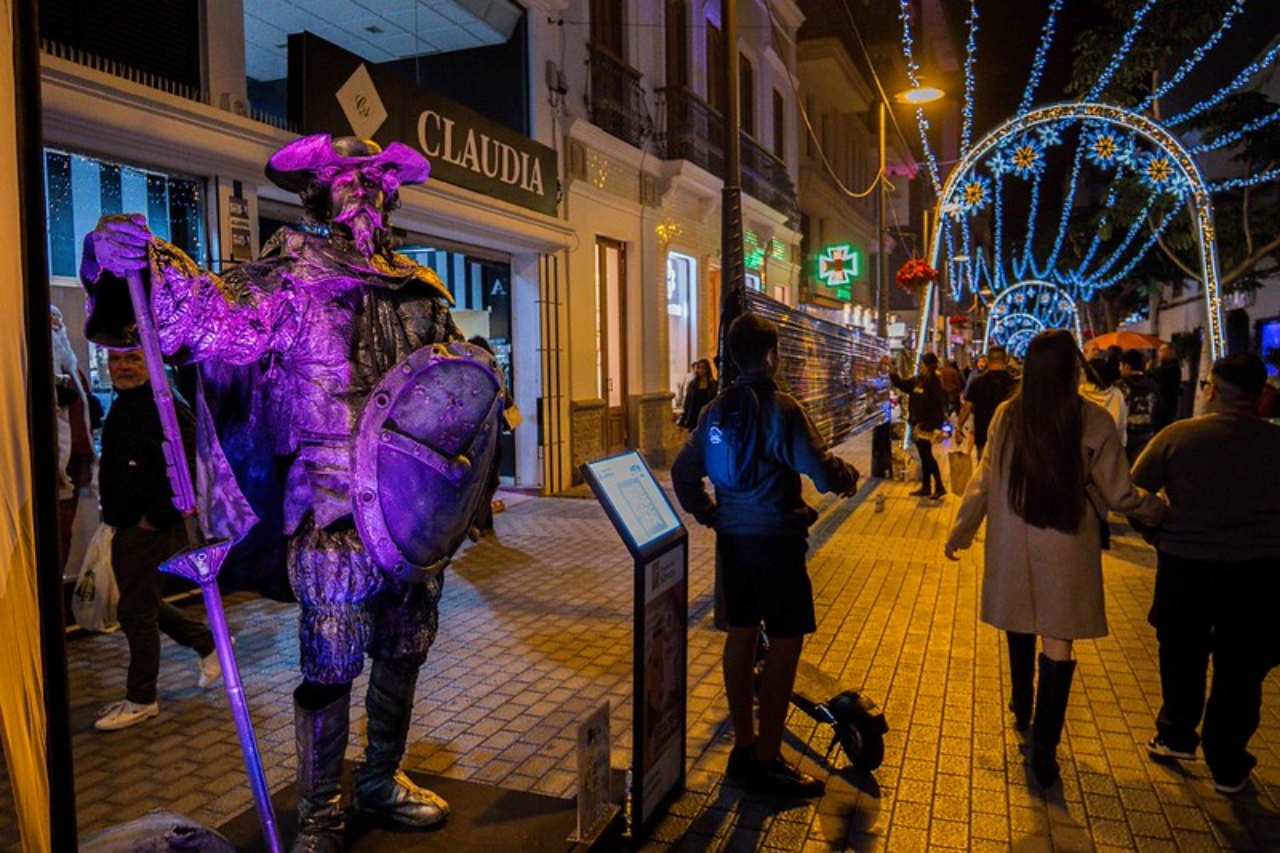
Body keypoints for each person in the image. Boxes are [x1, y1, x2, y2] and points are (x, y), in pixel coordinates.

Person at [81, 135, 500, 850]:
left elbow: (457, 390)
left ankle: (378, 779)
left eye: (375, 178)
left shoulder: (422, 292)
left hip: (410, 524)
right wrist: (134, 263)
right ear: (316, 193)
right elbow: (209, 315)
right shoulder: (288, 279)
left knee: (405, 647)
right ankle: (319, 814)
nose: (363, 190)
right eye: (345, 178)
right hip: (331, 514)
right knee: (329, 663)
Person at [944, 330, 1164, 788]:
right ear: (1072, 370)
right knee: (1057, 643)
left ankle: (1021, 703)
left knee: (1019, 618)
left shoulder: (1008, 416)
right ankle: (1045, 749)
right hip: (1068, 546)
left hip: (1013, 544)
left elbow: (983, 482)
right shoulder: (1094, 421)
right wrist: (1157, 507)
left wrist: (960, 532)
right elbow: (1121, 494)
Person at [671, 314, 859, 798]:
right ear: (772, 355)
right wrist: (844, 476)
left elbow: (683, 471)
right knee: (786, 640)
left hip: (734, 541)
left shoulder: (714, 411)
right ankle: (767, 756)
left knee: (739, 633)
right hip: (776, 540)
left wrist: (711, 515)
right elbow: (819, 470)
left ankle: (746, 742)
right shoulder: (784, 408)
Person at [1130, 353, 1280, 795]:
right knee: (1242, 667)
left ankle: (1177, 734)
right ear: (1258, 396)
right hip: (1261, 571)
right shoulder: (1274, 445)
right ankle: (1227, 760)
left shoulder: (1179, 437)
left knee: (1181, 651)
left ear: (1212, 389)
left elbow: (1135, 493)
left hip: (1186, 564)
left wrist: (1158, 533)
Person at [94, 346, 220, 732]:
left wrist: (156, 518)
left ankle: (142, 698)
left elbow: (188, 461)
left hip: (149, 528)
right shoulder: (129, 402)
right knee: (141, 602)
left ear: (150, 362)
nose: (122, 367)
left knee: (135, 611)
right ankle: (208, 645)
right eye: (115, 360)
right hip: (131, 524)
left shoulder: (162, 405)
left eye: (132, 358)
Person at [51, 305, 96, 570]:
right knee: (55, 532)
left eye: (58, 323)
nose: (56, 327)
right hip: (57, 464)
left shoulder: (72, 369)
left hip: (76, 460)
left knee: (66, 532)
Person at [886, 352, 948, 499]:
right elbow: (902, 384)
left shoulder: (934, 382)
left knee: (927, 456)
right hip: (917, 425)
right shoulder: (918, 380)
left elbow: (938, 405)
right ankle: (926, 487)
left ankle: (939, 486)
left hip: (927, 426)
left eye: (923, 364)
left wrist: (934, 426)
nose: (921, 366)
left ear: (929, 366)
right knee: (924, 455)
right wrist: (891, 369)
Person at [956, 345, 1017, 461]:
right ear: (1005, 360)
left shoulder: (978, 382)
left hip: (983, 434)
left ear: (988, 360)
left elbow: (967, 407)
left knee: (983, 469)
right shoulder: (1013, 383)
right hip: (1007, 435)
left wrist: (959, 428)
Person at [1118, 349, 1158, 463]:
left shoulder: (1121, 385)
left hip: (1125, 436)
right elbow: (1161, 408)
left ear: (1127, 365)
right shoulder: (1151, 384)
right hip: (1147, 433)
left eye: (1121, 365)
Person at [1079, 356, 1128, 444]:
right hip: (1110, 447)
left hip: (1085, 448)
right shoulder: (1116, 394)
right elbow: (1121, 424)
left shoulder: (1080, 394)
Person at [676, 358, 716, 430]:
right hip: (694, 416)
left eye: (703, 368)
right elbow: (687, 403)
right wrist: (683, 420)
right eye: (699, 368)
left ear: (707, 370)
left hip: (706, 416)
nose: (700, 370)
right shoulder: (692, 384)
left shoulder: (712, 384)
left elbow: (714, 401)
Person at [1151, 343, 1182, 430]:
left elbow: (1160, 377)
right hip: (1162, 403)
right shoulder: (1164, 366)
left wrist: (1151, 370)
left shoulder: (1172, 367)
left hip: (1166, 403)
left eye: (1162, 351)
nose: (1159, 353)